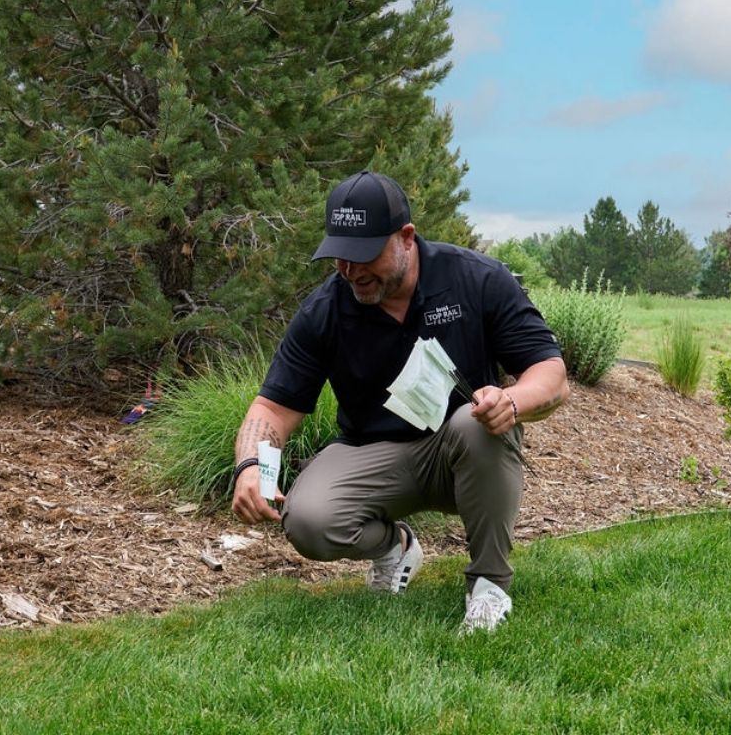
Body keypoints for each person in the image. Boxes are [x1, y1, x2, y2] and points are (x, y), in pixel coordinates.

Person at [231, 170, 569, 633]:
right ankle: (396, 548)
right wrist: (252, 466)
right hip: (372, 453)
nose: (351, 271)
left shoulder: (476, 279)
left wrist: (510, 400)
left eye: (364, 255)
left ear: (406, 237)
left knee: (476, 424)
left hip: (462, 450)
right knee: (308, 520)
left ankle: (489, 586)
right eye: (340, 257)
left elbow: (551, 374)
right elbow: (272, 408)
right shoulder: (325, 309)